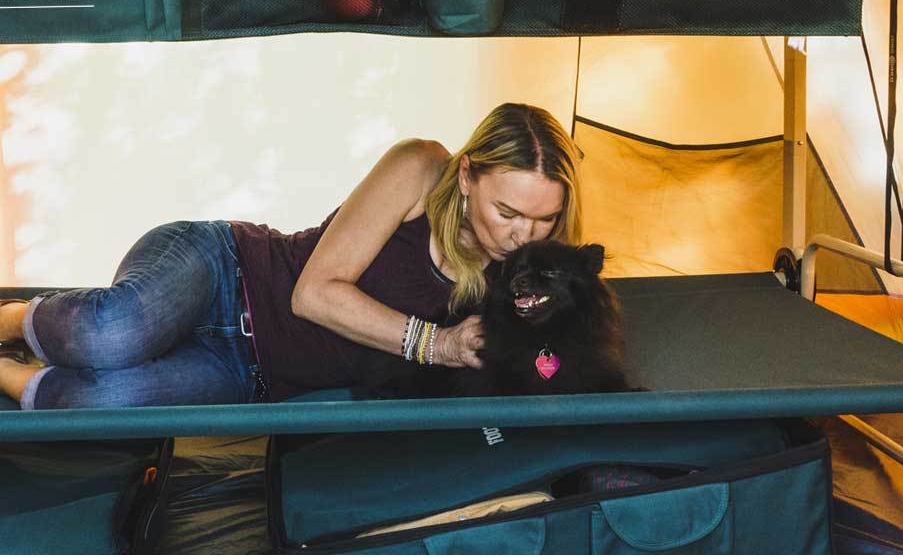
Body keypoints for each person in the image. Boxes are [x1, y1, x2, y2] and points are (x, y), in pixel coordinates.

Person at [0, 103, 582, 410]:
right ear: (467, 176)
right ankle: (13, 318)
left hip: (250, 373)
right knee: (110, 335)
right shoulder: (421, 167)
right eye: (508, 212)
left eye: (545, 219)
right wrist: (438, 344)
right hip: (225, 272)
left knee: (98, 402)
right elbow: (314, 294)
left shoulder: (533, 279)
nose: (524, 235)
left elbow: (550, 365)